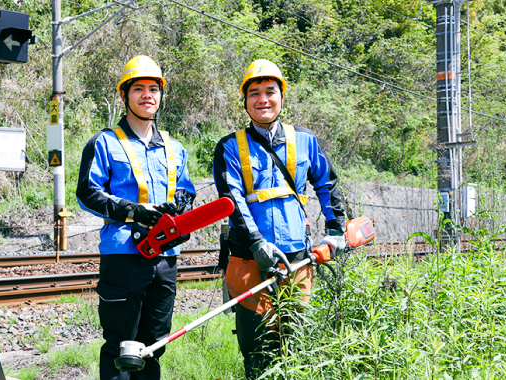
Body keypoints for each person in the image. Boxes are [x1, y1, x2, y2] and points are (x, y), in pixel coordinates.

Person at [213, 59, 347, 379]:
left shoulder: (305, 141)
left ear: (282, 97)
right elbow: (232, 201)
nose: (263, 99)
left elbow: (326, 185)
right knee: (257, 350)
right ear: (245, 101)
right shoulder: (230, 147)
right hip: (249, 260)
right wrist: (258, 242)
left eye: (270, 91)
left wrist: (336, 229)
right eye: (254, 93)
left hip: (297, 262)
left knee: (295, 346)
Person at [76, 55, 195, 380]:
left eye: (153, 89)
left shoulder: (175, 147)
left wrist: (181, 207)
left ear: (160, 95)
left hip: (166, 257)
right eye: (139, 88)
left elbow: (185, 189)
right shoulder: (103, 142)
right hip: (123, 256)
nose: (147, 95)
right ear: (124, 95)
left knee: (154, 347)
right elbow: (87, 192)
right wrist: (134, 212)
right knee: (120, 349)